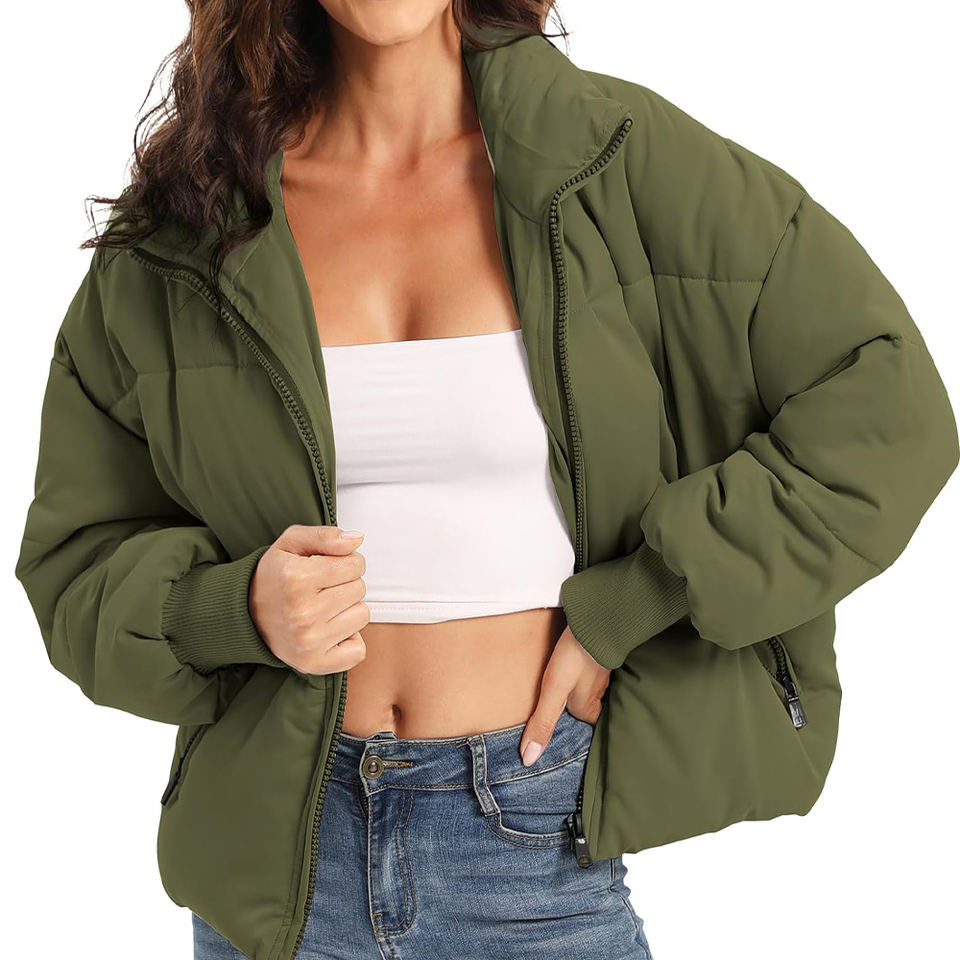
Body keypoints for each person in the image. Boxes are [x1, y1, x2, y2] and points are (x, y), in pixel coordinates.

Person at [14, 2, 958, 959]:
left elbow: (886, 404)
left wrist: (644, 594)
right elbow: (74, 559)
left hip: (532, 842)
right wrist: (236, 610)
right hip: (278, 869)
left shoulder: (611, 157)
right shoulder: (192, 220)